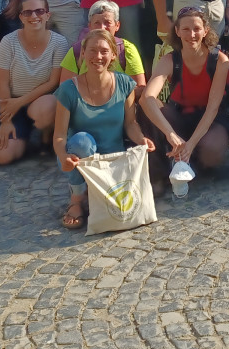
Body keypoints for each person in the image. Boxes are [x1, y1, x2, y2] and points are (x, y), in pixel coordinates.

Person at [53, 29, 155, 230]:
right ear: (82, 53)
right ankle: (77, 198)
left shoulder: (125, 84)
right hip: (78, 157)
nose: (97, 57)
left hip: (111, 159)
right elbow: (59, 135)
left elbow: (130, 124)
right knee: (82, 141)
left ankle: (95, 194)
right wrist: (62, 155)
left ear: (113, 56)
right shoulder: (68, 89)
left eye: (103, 51)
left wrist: (142, 140)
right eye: (92, 51)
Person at [141, 5, 229, 191]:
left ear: (205, 31)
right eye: (186, 29)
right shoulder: (170, 60)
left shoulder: (220, 60)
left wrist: (191, 144)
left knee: (211, 154)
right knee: (149, 106)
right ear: (177, 31)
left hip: (211, 118)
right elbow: (147, 97)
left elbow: (213, 107)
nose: (192, 34)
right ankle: (158, 173)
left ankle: (190, 157)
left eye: (196, 29)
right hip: (179, 115)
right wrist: (170, 134)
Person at [0, 0, 70, 165]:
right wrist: (6, 121)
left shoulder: (59, 42)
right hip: (8, 103)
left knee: (48, 107)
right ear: (21, 17)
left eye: (39, 11)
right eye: (27, 12)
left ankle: (46, 136)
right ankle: (22, 137)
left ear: (48, 15)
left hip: (40, 102)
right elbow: (1, 83)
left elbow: (53, 82)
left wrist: (19, 102)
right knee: (3, 157)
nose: (34, 16)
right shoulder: (8, 41)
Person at [58, 0, 146, 89]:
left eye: (107, 23)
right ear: (90, 26)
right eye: (97, 23)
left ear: (117, 25)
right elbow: (65, 88)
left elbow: (139, 88)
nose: (102, 28)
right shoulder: (77, 50)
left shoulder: (126, 50)